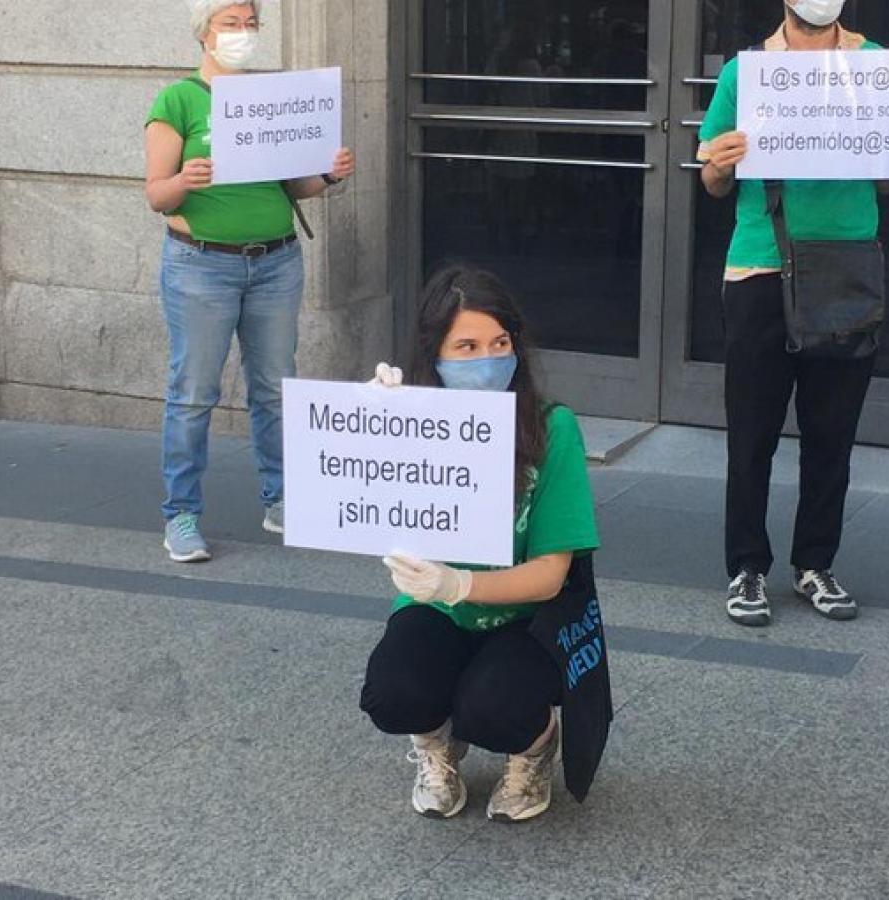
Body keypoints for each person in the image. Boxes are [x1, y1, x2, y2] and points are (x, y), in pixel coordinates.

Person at [696, 0, 889, 627]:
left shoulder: (874, 67)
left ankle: (815, 564)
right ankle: (746, 568)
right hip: (758, 266)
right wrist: (719, 163)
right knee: (751, 434)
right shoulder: (747, 70)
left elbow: (886, 183)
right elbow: (712, 180)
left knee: (831, 435)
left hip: (846, 266)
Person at [358, 266, 600, 822]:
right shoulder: (414, 418)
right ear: (434, 354)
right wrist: (373, 421)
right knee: (392, 692)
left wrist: (462, 582)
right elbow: (360, 505)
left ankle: (535, 746)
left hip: (525, 621)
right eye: (465, 346)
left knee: (493, 707)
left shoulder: (550, 428)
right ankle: (436, 744)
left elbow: (550, 574)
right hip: (434, 612)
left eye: (500, 343)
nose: (487, 359)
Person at [143, 0, 355, 562]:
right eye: (229, 23)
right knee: (192, 394)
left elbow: (294, 186)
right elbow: (155, 194)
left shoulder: (269, 100)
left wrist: (328, 174)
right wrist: (185, 178)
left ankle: (281, 498)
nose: (241, 33)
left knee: (276, 388)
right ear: (203, 31)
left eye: (249, 23)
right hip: (200, 265)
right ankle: (181, 516)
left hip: (276, 262)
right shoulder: (178, 100)